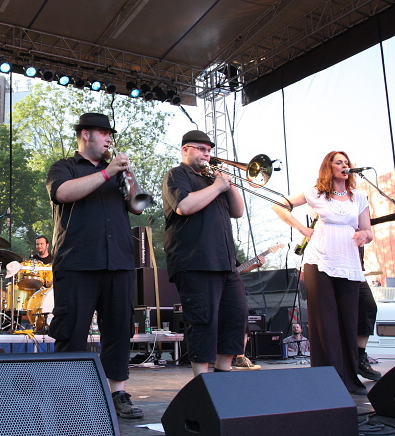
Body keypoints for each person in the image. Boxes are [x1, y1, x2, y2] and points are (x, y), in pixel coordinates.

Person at [46, 112, 144, 419]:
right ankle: (68, 395)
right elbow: (62, 192)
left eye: (110, 134)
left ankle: (118, 393)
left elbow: (138, 206)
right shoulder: (64, 167)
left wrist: (128, 177)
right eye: (104, 133)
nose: (109, 139)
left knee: (119, 329)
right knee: (71, 330)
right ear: (86, 134)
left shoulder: (115, 171)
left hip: (118, 260)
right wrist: (106, 173)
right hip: (77, 262)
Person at [272, 150, 373, 395]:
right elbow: (279, 205)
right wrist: (302, 229)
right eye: (339, 162)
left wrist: (364, 235)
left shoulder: (359, 197)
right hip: (319, 260)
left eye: (346, 162)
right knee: (325, 322)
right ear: (329, 166)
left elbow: (368, 231)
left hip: (348, 261)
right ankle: (328, 381)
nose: (344, 165)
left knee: (348, 320)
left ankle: (350, 379)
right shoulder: (316, 192)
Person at [162, 130, 247, 377]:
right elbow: (184, 206)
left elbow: (238, 211)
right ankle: (203, 382)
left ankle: (223, 376)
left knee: (235, 318)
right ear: (185, 150)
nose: (206, 154)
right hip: (195, 262)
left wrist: (227, 185)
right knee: (203, 322)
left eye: (208, 150)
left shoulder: (212, 181)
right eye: (200, 149)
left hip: (226, 263)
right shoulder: (177, 174)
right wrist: (218, 186)